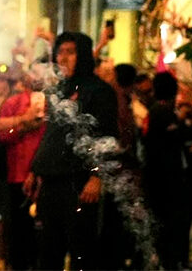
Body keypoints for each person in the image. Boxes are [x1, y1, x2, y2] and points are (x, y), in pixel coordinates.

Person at [27, 31, 119, 270]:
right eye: (60, 52)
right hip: (51, 181)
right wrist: (35, 170)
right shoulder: (60, 90)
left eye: (70, 52)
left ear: (84, 55)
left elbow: (107, 136)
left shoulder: (100, 91)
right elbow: (51, 135)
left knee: (82, 250)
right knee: (48, 249)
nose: (63, 58)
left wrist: (96, 176)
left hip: (79, 182)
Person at [142, 72, 192, 269]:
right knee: (172, 222)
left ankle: (175, 260)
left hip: (165, 179)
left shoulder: (159, 111)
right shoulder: (161, 112)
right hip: (166, 181)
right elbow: (181, 135)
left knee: (174, 220)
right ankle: (171, 261)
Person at [0, 71, 45, 270]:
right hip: (18, 173)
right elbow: (1, 136)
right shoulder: (14, 103)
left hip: (46, 174)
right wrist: (23, 126)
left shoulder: (54, 103)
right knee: (19, 226)